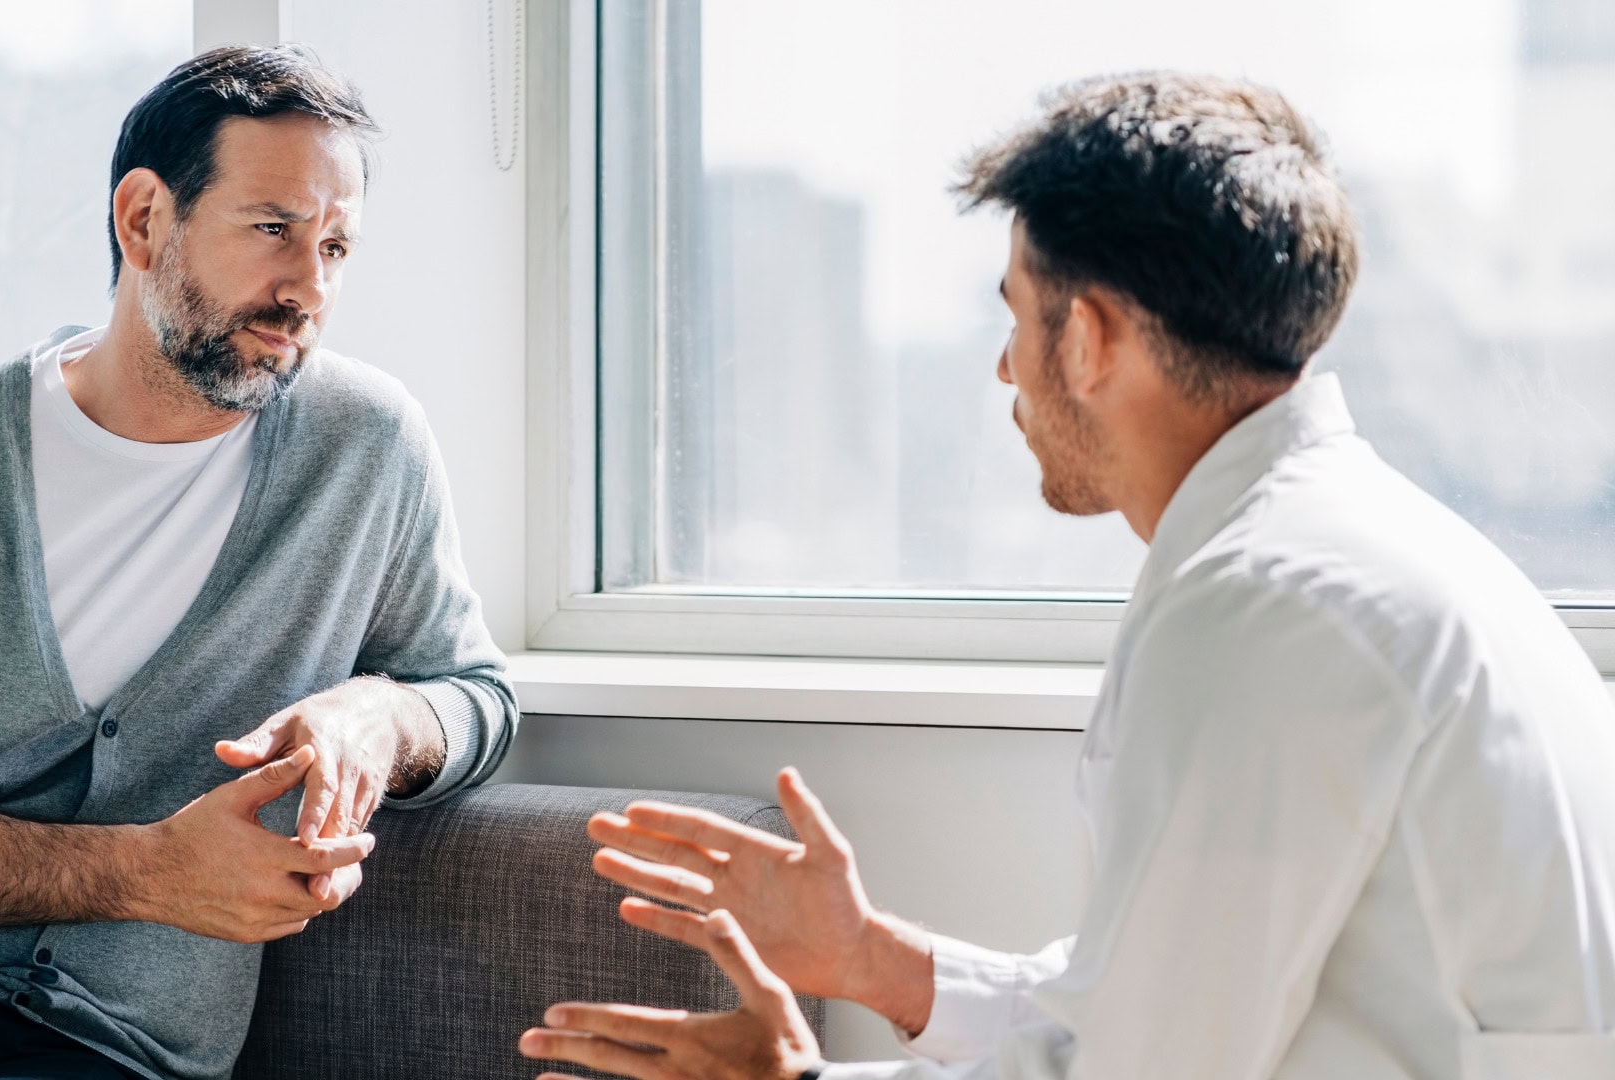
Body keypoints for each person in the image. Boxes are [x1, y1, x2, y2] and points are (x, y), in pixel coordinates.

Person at [519, 72, 1615, 1080]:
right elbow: (1152, 1002)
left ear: (1087, 338)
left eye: (1016, 314)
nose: (1005, 366)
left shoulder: (1266, 609)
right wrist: (877, 962)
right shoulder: (1356, 555)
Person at [0, 45, 517, 1080]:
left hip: (109, 1042)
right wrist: (143, 874)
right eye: (273, 230)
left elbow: (474, 692)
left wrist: (382, 716)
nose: (308, 287)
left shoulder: (365, 446)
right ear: (143, 220)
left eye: (338, 248)